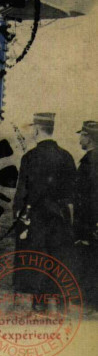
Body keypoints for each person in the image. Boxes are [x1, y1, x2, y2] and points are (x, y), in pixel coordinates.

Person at [13, 113, 77, 312]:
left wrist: (19, 216)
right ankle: (59, 303)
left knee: (37, 258)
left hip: (37, 217)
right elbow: (72, 193)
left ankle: (39, 304)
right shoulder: (66, 156)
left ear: (37, 129)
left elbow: (21, 194)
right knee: (58, 257)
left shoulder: (29, 157)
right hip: (60, 217)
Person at [75, 121, 98, 311]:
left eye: (82, 134)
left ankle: (90, 298)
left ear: (89, 138)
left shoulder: (90, 161)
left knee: (89, 256)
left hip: (89, 219)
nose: (80, 138)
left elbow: (88, 195)